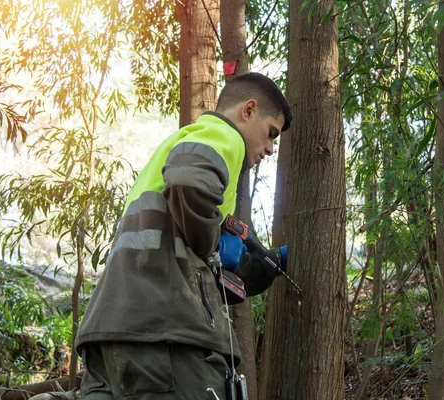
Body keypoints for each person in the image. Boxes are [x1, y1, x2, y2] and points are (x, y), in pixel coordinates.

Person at [76, 72, 292, 399]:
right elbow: (189, 180)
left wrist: (247, 268)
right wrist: (213, 244)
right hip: (161, 334)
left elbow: (176, 239)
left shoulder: (180, 143)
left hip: (110, 329)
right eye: (270, 134)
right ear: (248, 110)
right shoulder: (225, 135)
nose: (270, 148)